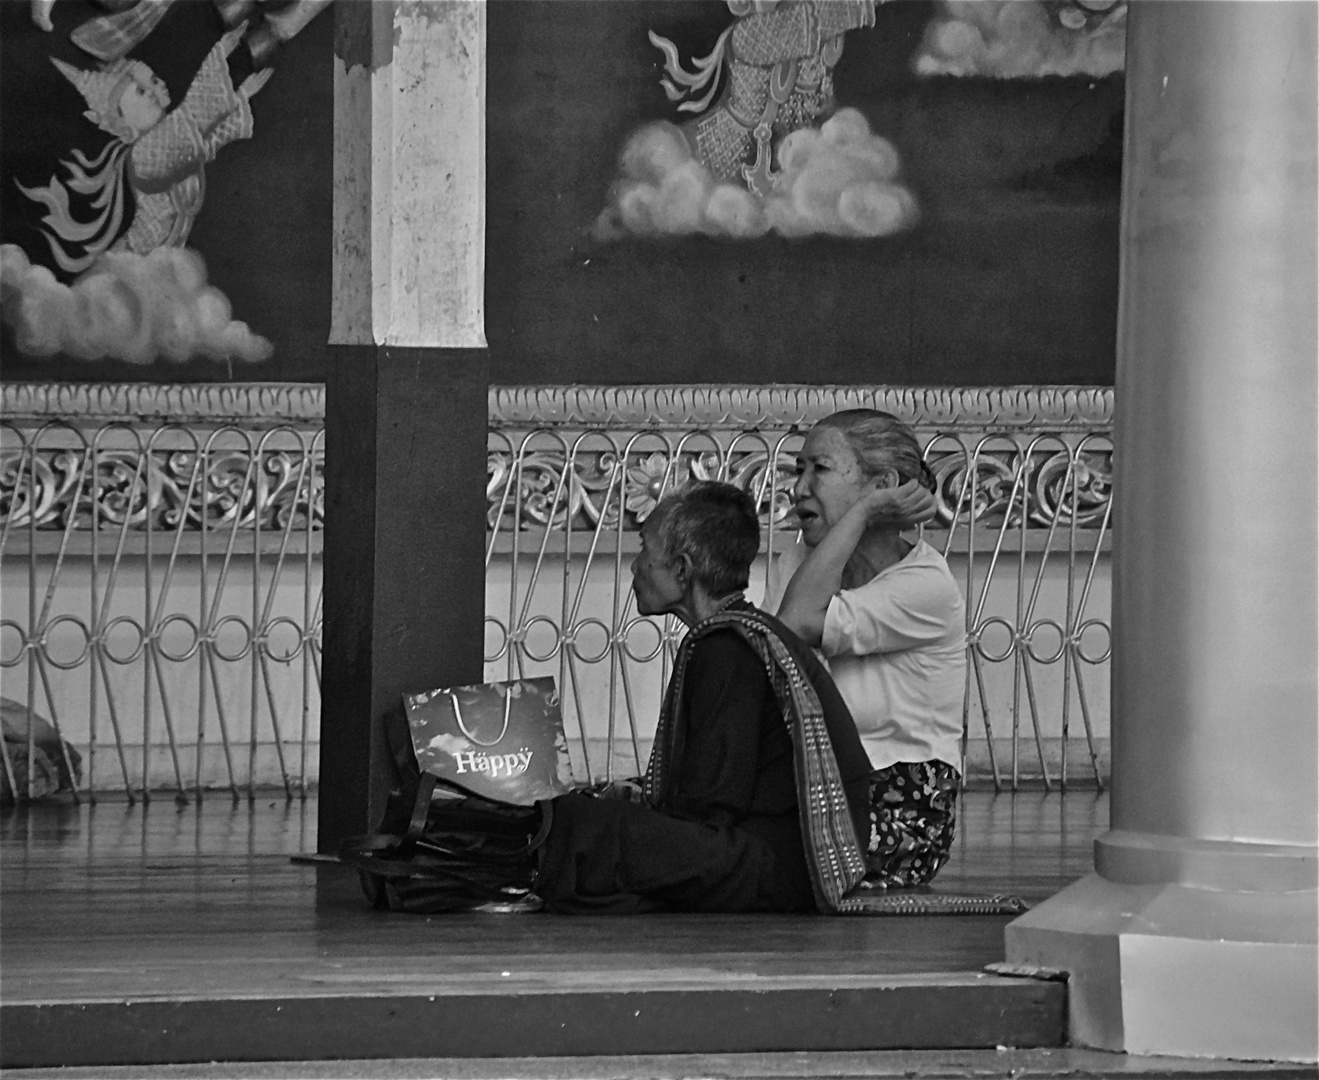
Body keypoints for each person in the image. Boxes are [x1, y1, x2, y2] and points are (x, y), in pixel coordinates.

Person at [532, 480, 875, 914]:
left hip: (776, 872)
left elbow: (711, 805)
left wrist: (642, 819)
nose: (635, 567)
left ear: (681, 568)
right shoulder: (740, 634)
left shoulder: (726, 649)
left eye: (644, 552)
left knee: (582, 823)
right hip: (772, 857)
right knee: (596, 818)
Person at [764, 410, 967, 889]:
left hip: (902, 807)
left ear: (885, 486)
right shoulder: (796, 562)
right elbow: (771, 663)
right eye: (799, 470)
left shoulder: (925, 584)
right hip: (814, 789)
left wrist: (861, 513)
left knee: (743, 851)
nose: (799, 489)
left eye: (820, 469)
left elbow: (797, 624)